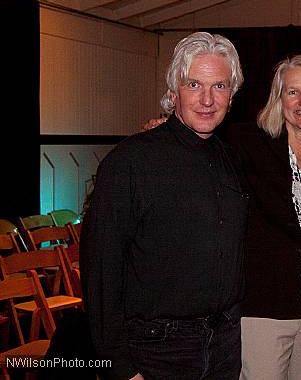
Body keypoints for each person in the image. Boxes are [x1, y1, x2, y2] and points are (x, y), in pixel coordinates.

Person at [81, 32, 248, 380]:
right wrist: (120, 366)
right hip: (158, 350)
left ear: (231, 96)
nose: (207, 99)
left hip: (225, 344)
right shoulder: (130, 162)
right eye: (193, 84)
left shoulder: (232, 159)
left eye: (219, 86)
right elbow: (100, 268)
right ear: (173, 94)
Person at [228, 55, 301, 379]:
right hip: (265, 309)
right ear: (279, 99)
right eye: (292, 92)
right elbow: (201, 145)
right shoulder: (247, 144)